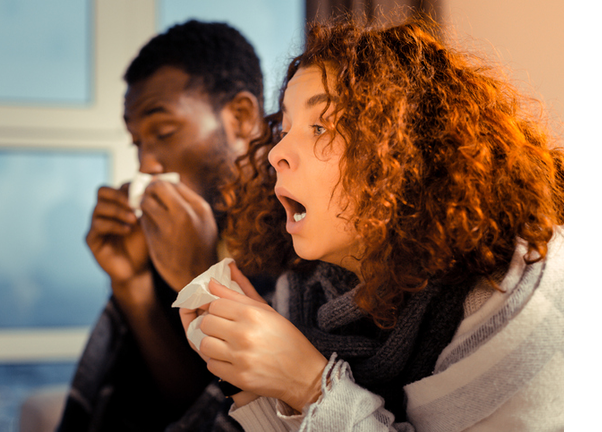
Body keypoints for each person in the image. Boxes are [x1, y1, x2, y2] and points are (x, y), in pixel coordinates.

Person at [180, 16, 564, 431]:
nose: (276, 154)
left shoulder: (521, 293)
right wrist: (254, 380)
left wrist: (311, 386)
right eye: (284, 129)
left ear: (406, 151)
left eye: (321, 126)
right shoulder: (302, 295)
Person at [56, 20, 271, 432]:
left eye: (164, 132)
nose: (146, 165)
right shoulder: (162, 244)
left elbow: (264, 420)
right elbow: (182, 410)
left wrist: (199, 277)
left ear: (241, 118)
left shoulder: (306, 235)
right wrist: (133, 286)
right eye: (137, 142)